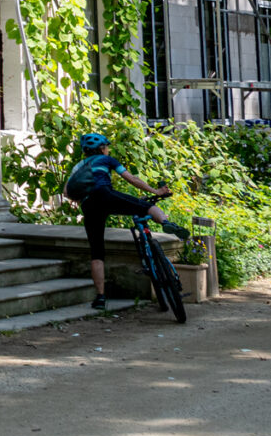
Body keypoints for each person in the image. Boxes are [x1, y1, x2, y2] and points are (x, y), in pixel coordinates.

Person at [65, 132, 189, 310]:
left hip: (89, 205)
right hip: (105, 195)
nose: (108, 150)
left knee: (97, 252)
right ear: (102, 148)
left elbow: (67, 193)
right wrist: (156, 191)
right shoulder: (107, 160)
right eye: (106, 147)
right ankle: (166, 223)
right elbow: (132, 179)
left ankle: (100, 298)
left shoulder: (78, 167)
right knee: (147, 207)